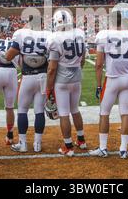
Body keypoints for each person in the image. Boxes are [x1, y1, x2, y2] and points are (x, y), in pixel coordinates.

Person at [89, 8, 128, 159]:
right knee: (125, 113)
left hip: (112, 79)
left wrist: (99, 85)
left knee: (104, 113)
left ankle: (103, 148)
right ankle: (123, 149)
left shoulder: (104, 35)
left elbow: (98, 64)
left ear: (110, 21)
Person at [5, 15, 51, 153]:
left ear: (29, 24)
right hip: (43, 77)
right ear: (41, 24)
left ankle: (23, 144)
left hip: (28, 76)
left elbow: (8, 56)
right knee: (39, 111)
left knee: (22, 110)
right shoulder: (48, 34)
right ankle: (37, 144)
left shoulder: (21, 33)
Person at [46, 10, 87, 157]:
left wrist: (48, 87)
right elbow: (82, 60)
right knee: (75, 109)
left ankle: (68, 146)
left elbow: (51, 68)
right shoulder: (80, 34)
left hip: (62, 80)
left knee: (63, 113)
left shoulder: (55, 38)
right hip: (76, 77)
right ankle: (81, 140)